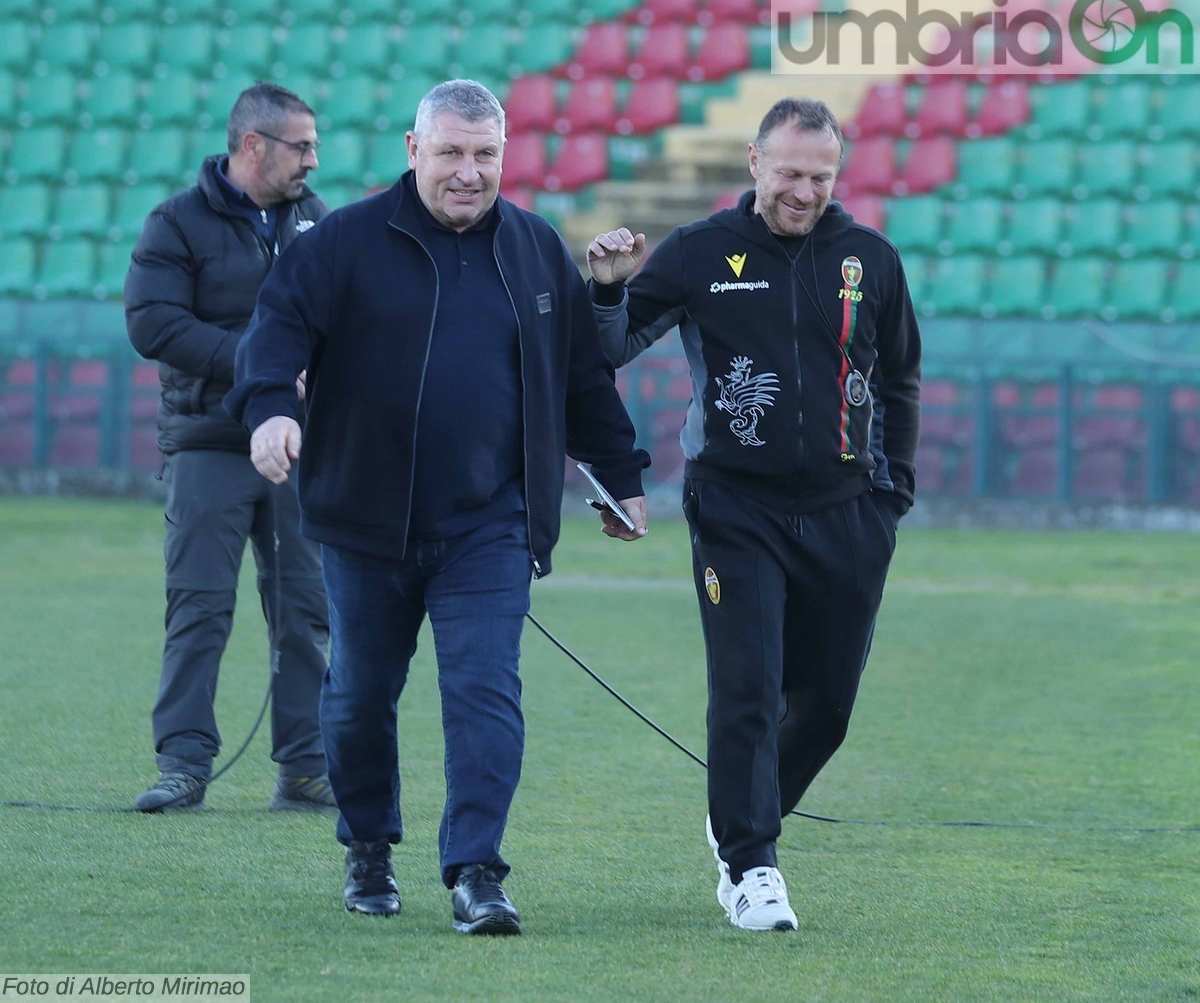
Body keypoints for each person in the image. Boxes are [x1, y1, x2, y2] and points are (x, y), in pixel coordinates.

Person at [223, 79, 650, 935]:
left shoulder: (535, 251)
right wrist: (272, 406)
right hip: (362, 522)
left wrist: (619, 471)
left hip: (489, 524)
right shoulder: (341, 243)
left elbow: (578, 377)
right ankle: (369, 847)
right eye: (450, 152)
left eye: (484, 154)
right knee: (355, 700)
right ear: (414, 150)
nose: (468, 171)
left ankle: (477, 871)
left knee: (486, 691)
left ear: (505, 155)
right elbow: (275, 332)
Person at [586, 97, 921, 932]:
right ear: (755, 163)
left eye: (820, 175)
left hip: (850, 512)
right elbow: (612, 345)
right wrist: (604, 291)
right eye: (789, 172)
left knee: (828, 704)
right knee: (746, 684)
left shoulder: (871, 259)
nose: (803, 191)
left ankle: (742, 806)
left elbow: (902, 379)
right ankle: (749, 862)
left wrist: (894, 493)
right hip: (734, 505)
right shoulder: (702, 251)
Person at [125, 82, 335, 815]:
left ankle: (307, 769)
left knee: (307, 609)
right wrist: (261, 359)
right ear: (253, 146)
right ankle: (184, 765)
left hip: (298, 448)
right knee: (199, 607)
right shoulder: (174, 223)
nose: (313, 158)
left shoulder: (314, 219)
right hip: (209, 444)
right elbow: (152, 324)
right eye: (301, 146)